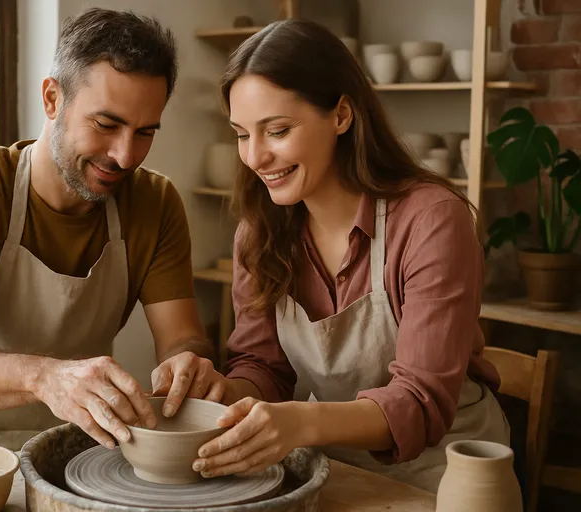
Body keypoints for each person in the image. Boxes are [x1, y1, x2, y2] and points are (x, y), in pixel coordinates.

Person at [0, 8, 224, 464]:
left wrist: (189, 363)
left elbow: (182, 339)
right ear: (52, 99)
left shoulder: (155, 202)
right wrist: (44, 377)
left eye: (145, 132)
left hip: (58, 445)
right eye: (106, 125)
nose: (125, 155)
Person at [190, 20, 510, 492]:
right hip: (331, 465)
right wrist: (220, 393)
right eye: (241, 134)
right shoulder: (259, 234)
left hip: (446, 471)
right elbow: (265, 368)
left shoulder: (431, 220)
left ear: (341, 115)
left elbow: (419, 401)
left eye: (277, 130)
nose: (255, 157)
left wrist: (299, 423)